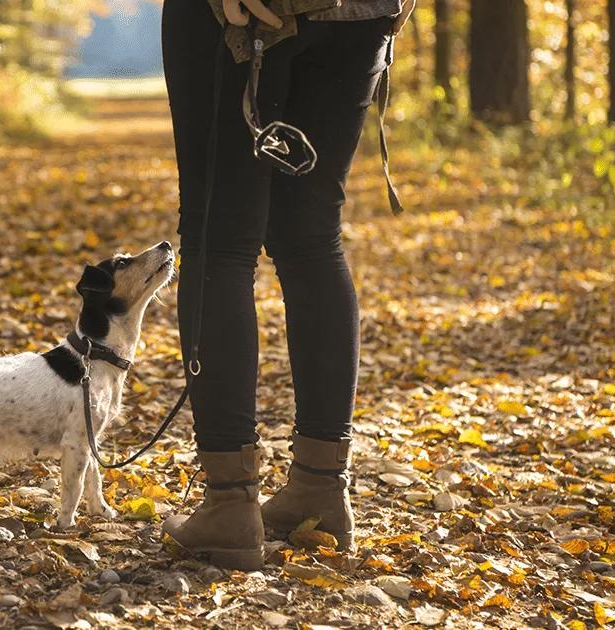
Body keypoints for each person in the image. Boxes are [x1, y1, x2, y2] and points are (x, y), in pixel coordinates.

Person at [160, 0, 416, 570]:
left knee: (218, 240)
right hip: (362, 12)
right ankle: (321, 489)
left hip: (240, 16)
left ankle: (229, 504)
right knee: (312, 238)